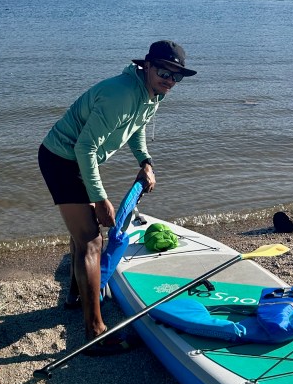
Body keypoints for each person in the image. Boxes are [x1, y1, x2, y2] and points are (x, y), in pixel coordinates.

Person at [38, 40, 197, 354]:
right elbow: (84, 147)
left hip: (80, 160)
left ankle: (75, 296)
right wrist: (100, 199)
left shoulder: (152, 94)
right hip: (61, 158)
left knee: (83, 234)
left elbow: (137, 127)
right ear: (147, 66)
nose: (169, 79)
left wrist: (145, 162)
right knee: (92, 240)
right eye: (164, 71)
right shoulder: (122, 94)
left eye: (176, 76)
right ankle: (95, 331)